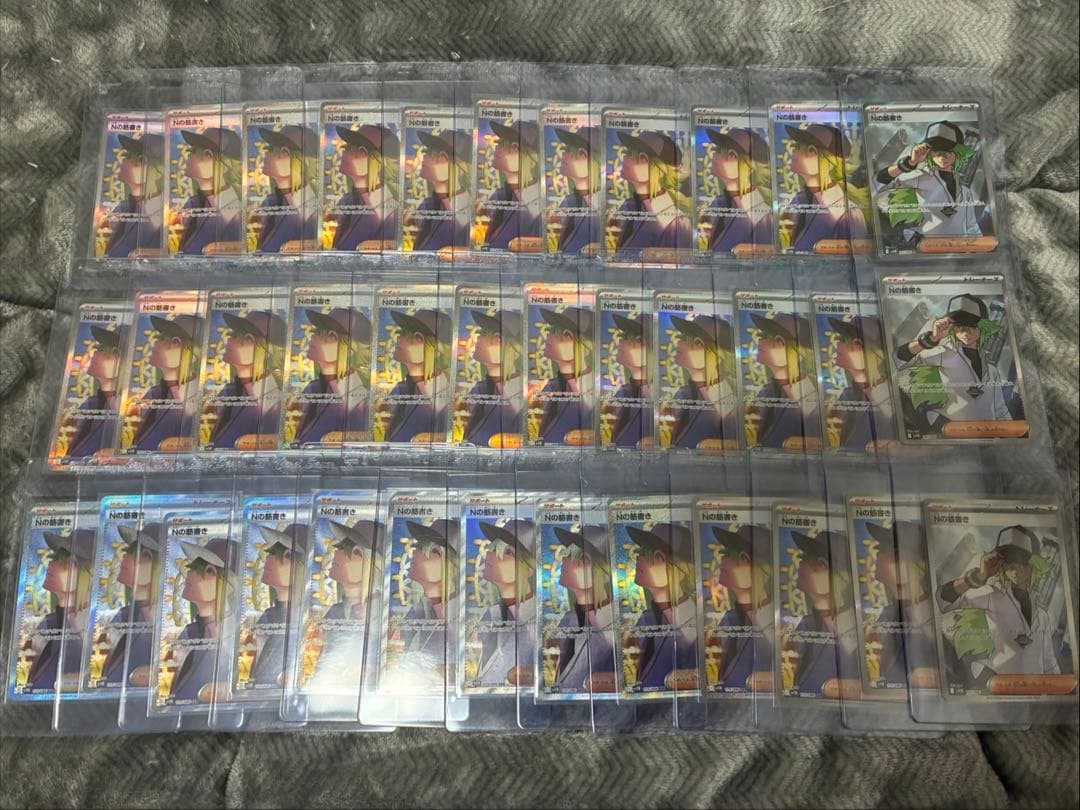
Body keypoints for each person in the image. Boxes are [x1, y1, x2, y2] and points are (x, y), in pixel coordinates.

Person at [937, 525, 1061, 689]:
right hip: (997, 690)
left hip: (1034, 695)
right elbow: (943, 601)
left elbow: (1049, 663)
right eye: (1008, 558)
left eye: (1022, 558)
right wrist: (979, 576)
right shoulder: (990, 594)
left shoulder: (1042, 615)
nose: (1015, 565)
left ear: (1034, 564)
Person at [894, 293, 1013, 431]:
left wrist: (1012, 433)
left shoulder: (991, 369)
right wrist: (931, 339)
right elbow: (899, 360)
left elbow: (1000, 408)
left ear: (982, 327)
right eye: (959, 325)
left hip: (987, 434)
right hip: (952, 430)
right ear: (952, 327)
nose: (965, 332)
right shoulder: (945, 353)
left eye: (972, 325)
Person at [875, 120, 987, 245]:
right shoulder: (920, 177)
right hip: (929, 247)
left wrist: (981, 248)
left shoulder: (965, 192)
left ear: (958, 152)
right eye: (937, 151)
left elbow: (971, 226)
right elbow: (879, 184)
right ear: (929, 152)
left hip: (961, 249)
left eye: (948, 151)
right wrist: (910, 163)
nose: (942, 156)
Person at [307, 519, 383, 691]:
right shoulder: (334, 612)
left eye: (353, 551)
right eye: (341, 546)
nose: (338, 553)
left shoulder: (385, 615)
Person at [626, 523, 698, 690]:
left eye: (656, 556)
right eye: (641, 552)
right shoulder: (646, 619)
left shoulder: (692, 624)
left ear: (682, 571)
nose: (640, 559)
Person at [864, 520, 936, 687]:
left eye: (893, 554)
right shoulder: (887, 613)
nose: (879, 555)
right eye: (881, 549)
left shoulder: (935, 613)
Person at [780, 123, 869, 253]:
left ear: (830, 162)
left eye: (810, 150)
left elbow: (860, 257)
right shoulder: (798, 201)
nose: (795, 152)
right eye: (797, 146)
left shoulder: (848, 213)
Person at [26, 529, 96, 692]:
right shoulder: (47, 624)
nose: (52, 564)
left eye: (68, 562)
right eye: (55, 558)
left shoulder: (94, 626)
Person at [550, 524, 616, 693]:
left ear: (606, 573)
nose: (568, 561)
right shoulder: (567, 620)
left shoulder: (615, 626)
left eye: (582, 558)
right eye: (569, 554)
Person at [788, 529, 854, 695]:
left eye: (820, 564)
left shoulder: (854, 631)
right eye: (804, 558)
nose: (803, 565)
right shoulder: (805, 625)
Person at [206, 311, 286, 450]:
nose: (230, 339)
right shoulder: (228, 392)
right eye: (233, 333)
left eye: (244, 337)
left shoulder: (273, 404)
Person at [709, 524, 773, 693]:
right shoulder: (729, 620)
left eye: (739, 557)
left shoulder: (775, 625)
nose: (725, 560)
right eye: (726, 553)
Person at [170, 537, 236, 703]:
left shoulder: (240, 636)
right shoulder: (189, 634)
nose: (191, 574)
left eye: (208, 571)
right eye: (192, 567)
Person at [294, 307, 372, 446]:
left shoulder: (357, 401)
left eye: (330, 335)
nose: (314, 337)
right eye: (317, 331)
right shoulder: (313, 389)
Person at [474, 519, 536, 687]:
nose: (494, 555)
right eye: (495, 547)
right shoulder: (492, 615)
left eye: (508, 552)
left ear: (530, 568)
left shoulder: (536, 625)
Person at [100, 523, 162, 688]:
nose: (128, 557)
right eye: (130, 550)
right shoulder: (121, 619)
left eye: (144, 555)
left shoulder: (175, 626)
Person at [131, 314, 202, 452]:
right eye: (160, 337)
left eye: (168, 339)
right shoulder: (153, 394)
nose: (157, 343)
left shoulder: (199, 399)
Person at [612, 130, 692, 254]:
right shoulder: (629, 206)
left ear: (658, 169)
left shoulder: (676, 222)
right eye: (627, 153)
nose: (626, 158)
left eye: (639, 156)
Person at [748, 313, 820, 449]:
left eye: (777, 339)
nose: (762, 341)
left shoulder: (810, 399)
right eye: (764, 335)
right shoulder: (766, 392)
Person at [248, 523, 306, 689]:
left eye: (286, 555)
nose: (271, 559)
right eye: (272, 552)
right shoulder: (269, 616)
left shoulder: (312, 617)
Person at [668, 314, 737, 449]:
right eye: (683, 337)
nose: (681, 343)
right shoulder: (683, 394)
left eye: (697, 343)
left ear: (719, 356)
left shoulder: (727, 401)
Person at [826, 315, 893, 449]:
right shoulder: (847, 396)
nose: (839, 344)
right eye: (841, 338)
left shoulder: (890, 399)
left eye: (852, 342)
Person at [384, 309, 452, 443]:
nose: (400, 339)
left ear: (438, 350)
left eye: (417, 337)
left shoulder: (444, 399)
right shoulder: (399, 391)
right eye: (402, 333)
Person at [701, 127, 772, 254]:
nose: (717, 156)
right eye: (718, 150)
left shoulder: (761, 217)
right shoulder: (717, 204)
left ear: (751, 167)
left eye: (731, 154)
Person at [332, 125, 400, 251]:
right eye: (346, 148)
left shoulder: (388, 210)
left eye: (350, 148)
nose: (344, 153)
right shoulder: (348, 201)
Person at [461, 309, 523, 448]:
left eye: (488, 335)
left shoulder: (522, 394)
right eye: (481, 333)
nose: (479, 339)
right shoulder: (479, 389)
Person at [177, 127, 243, 255]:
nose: (190, 155)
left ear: (225, 166)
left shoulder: (234, 213)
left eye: (205, 153)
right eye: (192, 150)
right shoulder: (192, 204)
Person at [253, 126, 319, 253]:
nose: (267, 154)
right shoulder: (272, 203)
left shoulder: (309, 212)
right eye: (269, 148)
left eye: (274, 150)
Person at [535, 306, 595, 445]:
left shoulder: (596, 392)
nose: (550, 337)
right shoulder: (548, 387)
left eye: (565, 334)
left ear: (586, 346)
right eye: (551, 331)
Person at [66, 323, 126, 459]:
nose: (95, 354)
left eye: (108, 351)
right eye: (98, 348)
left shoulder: (131, 410)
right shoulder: (89, 405)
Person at [479, 120, 541, 250]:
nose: (499, 149)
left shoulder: (538, 204)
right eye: (501, 143)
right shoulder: (498, 196)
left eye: (512, 146)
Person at [105, 132, 164, 257]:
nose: (125, 161)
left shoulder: (161, 212)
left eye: (139, 160)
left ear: (158, 171)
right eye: (127, 156)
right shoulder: (122, 208)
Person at [412, 129, 471, 251]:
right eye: (428, 151)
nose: (426, 156)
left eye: (437, 154)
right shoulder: (425, 207)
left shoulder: (468, 212)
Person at [552, 127, 601, 254]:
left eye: (571, 151)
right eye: (565, 150)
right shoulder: (568, 203)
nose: (564, 155)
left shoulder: (601, 207)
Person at [607, 312, 652, 448]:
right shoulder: (624, 392)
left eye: (636, 339)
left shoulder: (659, 396)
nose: (621, 341)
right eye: (624, 336)